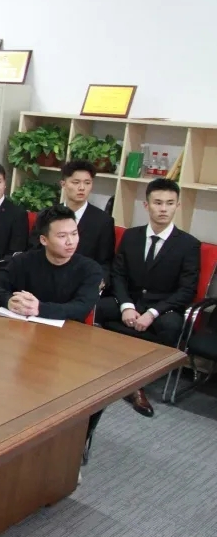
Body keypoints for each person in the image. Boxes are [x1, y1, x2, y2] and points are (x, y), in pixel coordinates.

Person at [96, 178, 201, 416]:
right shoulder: (131, 236)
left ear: (178, 206)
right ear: (147, 205)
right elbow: (118, 274)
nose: (163, 209)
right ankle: (94, 368)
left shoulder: (188, 245)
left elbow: (187, 290)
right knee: (94, 307)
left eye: (169, 203)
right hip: (130, 300)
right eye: (158, 202)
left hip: (163, 307)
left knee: (171, 326)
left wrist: (152, 313)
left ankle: (136, 384)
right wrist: (126, 305)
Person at [0, 205, 104, 322]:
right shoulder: (24, 260)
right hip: (22, 329)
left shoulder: (90, 269)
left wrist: (39, 308)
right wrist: (8, 300)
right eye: (62, 236)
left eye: (74, 234)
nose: (70, 241)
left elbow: (82, 308)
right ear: (44, 240)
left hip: (67, 332)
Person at [29, 160, 116, 284]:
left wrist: (97, 282)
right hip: (45, 279)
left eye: (87, 183)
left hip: (81, 282)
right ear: (63, 184)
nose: (82, 188)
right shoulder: (46, 215)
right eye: (76, 182)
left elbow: (105, 263)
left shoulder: (103, 221)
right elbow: (33, 251)